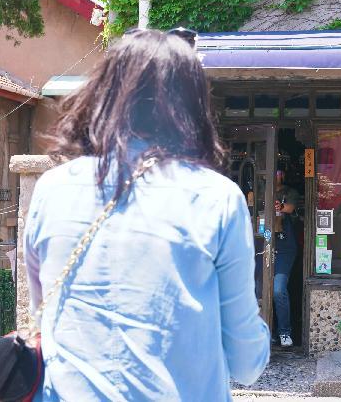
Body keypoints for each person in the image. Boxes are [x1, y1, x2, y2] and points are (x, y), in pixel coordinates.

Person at [23, 29, 269, 399]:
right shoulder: (217, 198)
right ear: (191, 106)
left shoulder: (51, 189)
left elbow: (45, 313)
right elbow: (247, 364)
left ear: (103, 94)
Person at [272, 169, 301, 347]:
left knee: (278, 290)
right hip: (263, 243)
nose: (276, 175)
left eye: (279, 172)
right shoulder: (260, 189)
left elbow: (290, 207)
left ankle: (284, 332)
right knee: (259, 290)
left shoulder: (290, 192)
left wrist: (280, 207)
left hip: (284, 247)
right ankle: (265, 332)